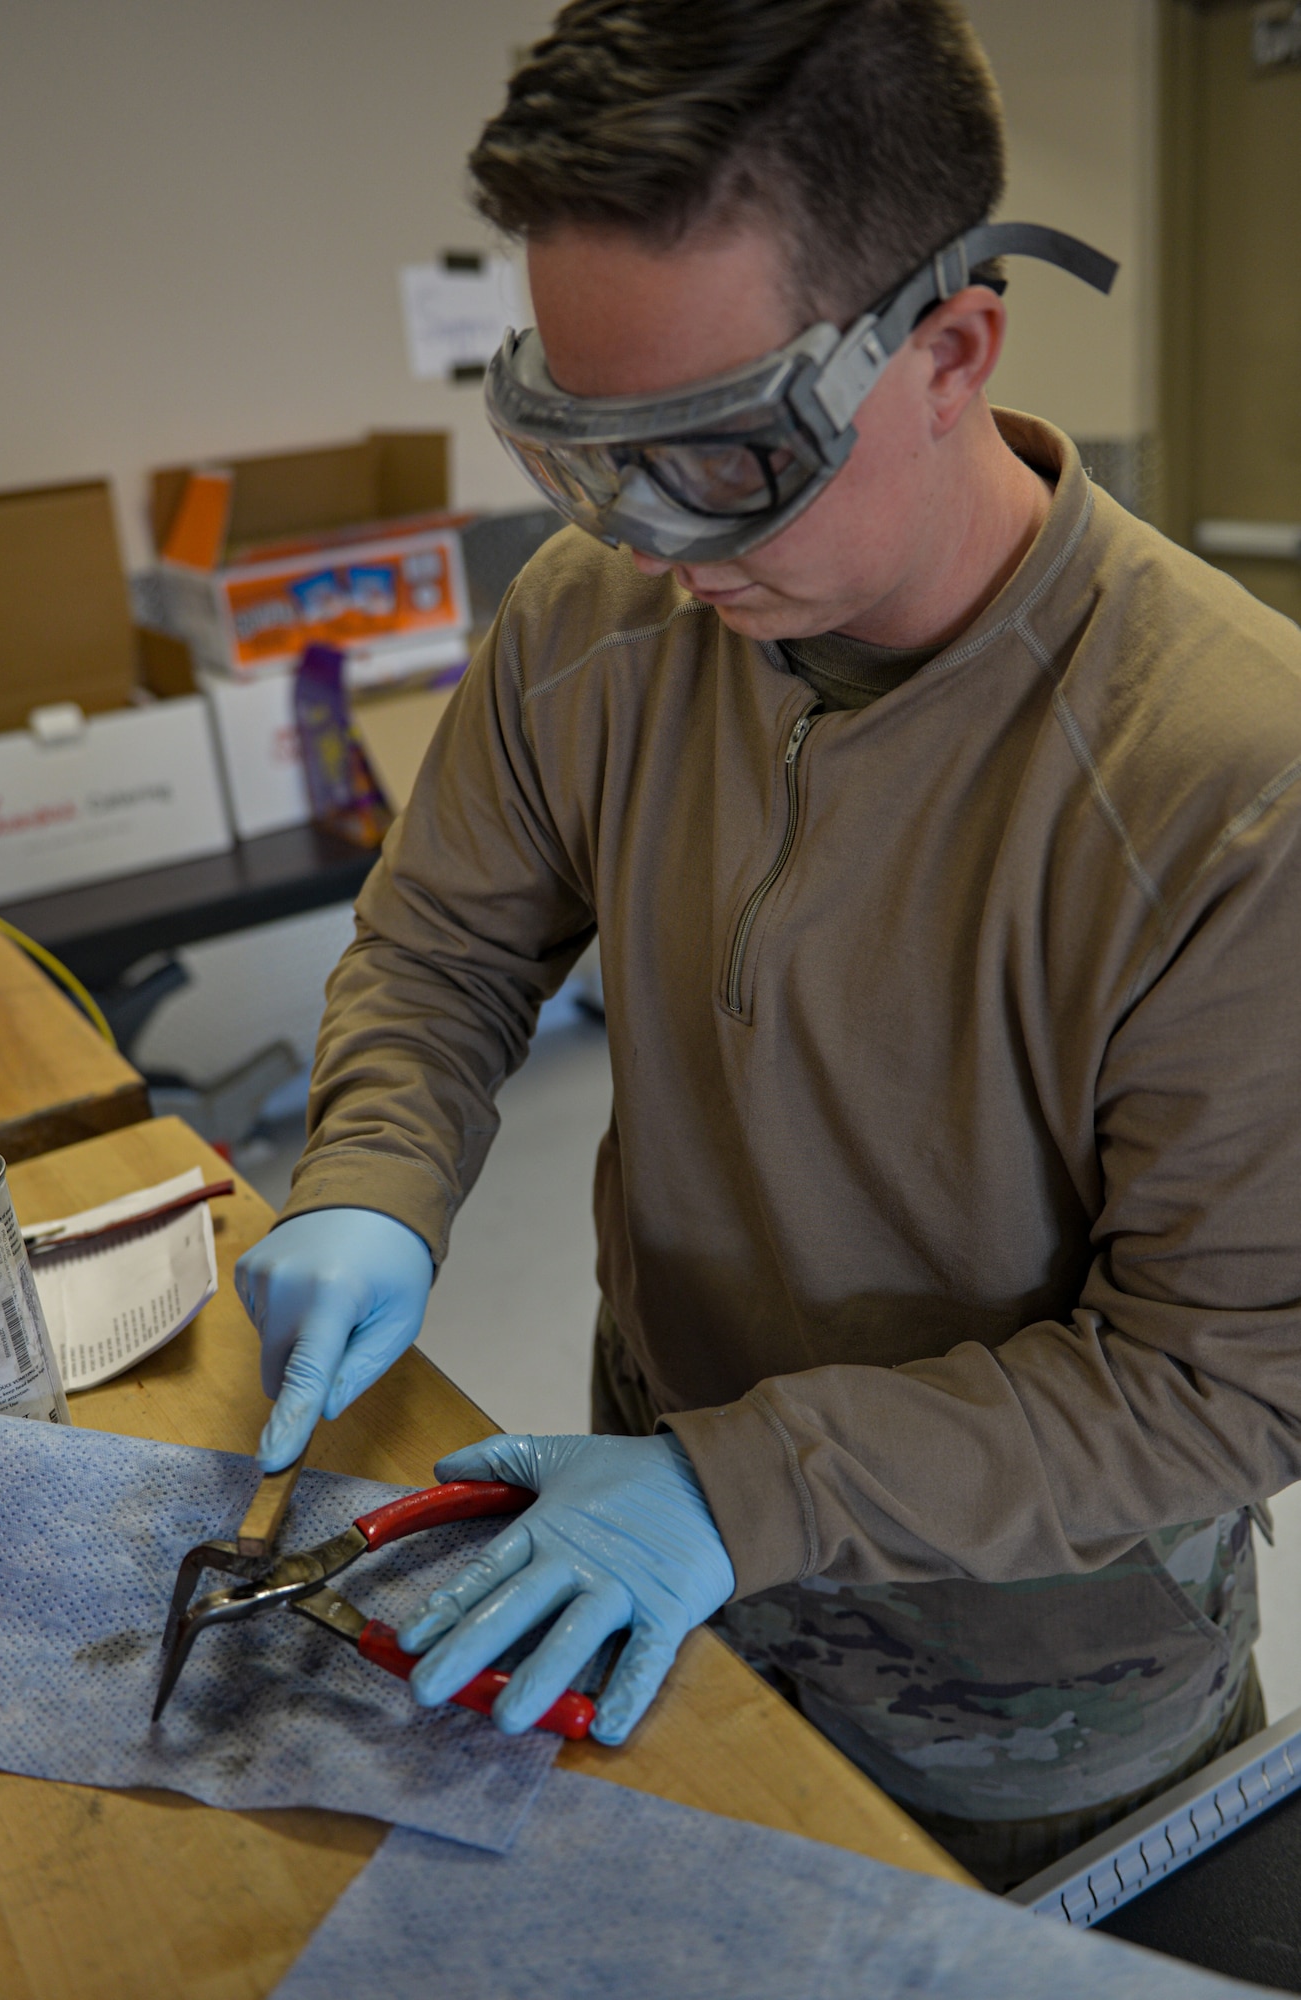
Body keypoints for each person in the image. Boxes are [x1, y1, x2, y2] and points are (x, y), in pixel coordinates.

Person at [235, 0, 1301, 1890]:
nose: (645, 543)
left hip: (1021, 1687)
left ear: (952, 350)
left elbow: (1228, 1381)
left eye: (717, 453)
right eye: (584, 449)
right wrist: (376, 1180)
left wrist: (749, 1490)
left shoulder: (1233, 782)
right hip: (645, 1557)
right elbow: (444, 948)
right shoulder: (597, 619)